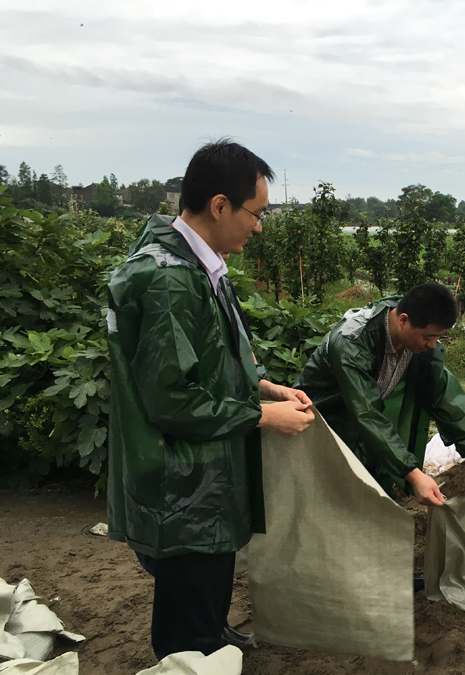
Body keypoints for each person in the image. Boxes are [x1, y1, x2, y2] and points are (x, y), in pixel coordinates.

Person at [106, 140, 315, 660]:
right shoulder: (170, 281)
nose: (259, 226)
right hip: (183, 482)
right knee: (189, 601)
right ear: (220, 205)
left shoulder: (200, 266)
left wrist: (263, 385)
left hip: (205, 476)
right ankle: (193, 653)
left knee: (210, 576)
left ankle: (213, 634)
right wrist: (263, 415)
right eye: (256, 213)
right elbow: (171, 399)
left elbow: (208, 360)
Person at [295, 283, 465, 507]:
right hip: (322, 429)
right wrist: (414, 474)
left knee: (379, 501)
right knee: (327, 502)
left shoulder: (414, 341)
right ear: (403, 320)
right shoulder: (352, 344)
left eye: (438, 337)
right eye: (428, 337)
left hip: (364, 434)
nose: (432, 345)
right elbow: (366, 413)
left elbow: (441, 390)